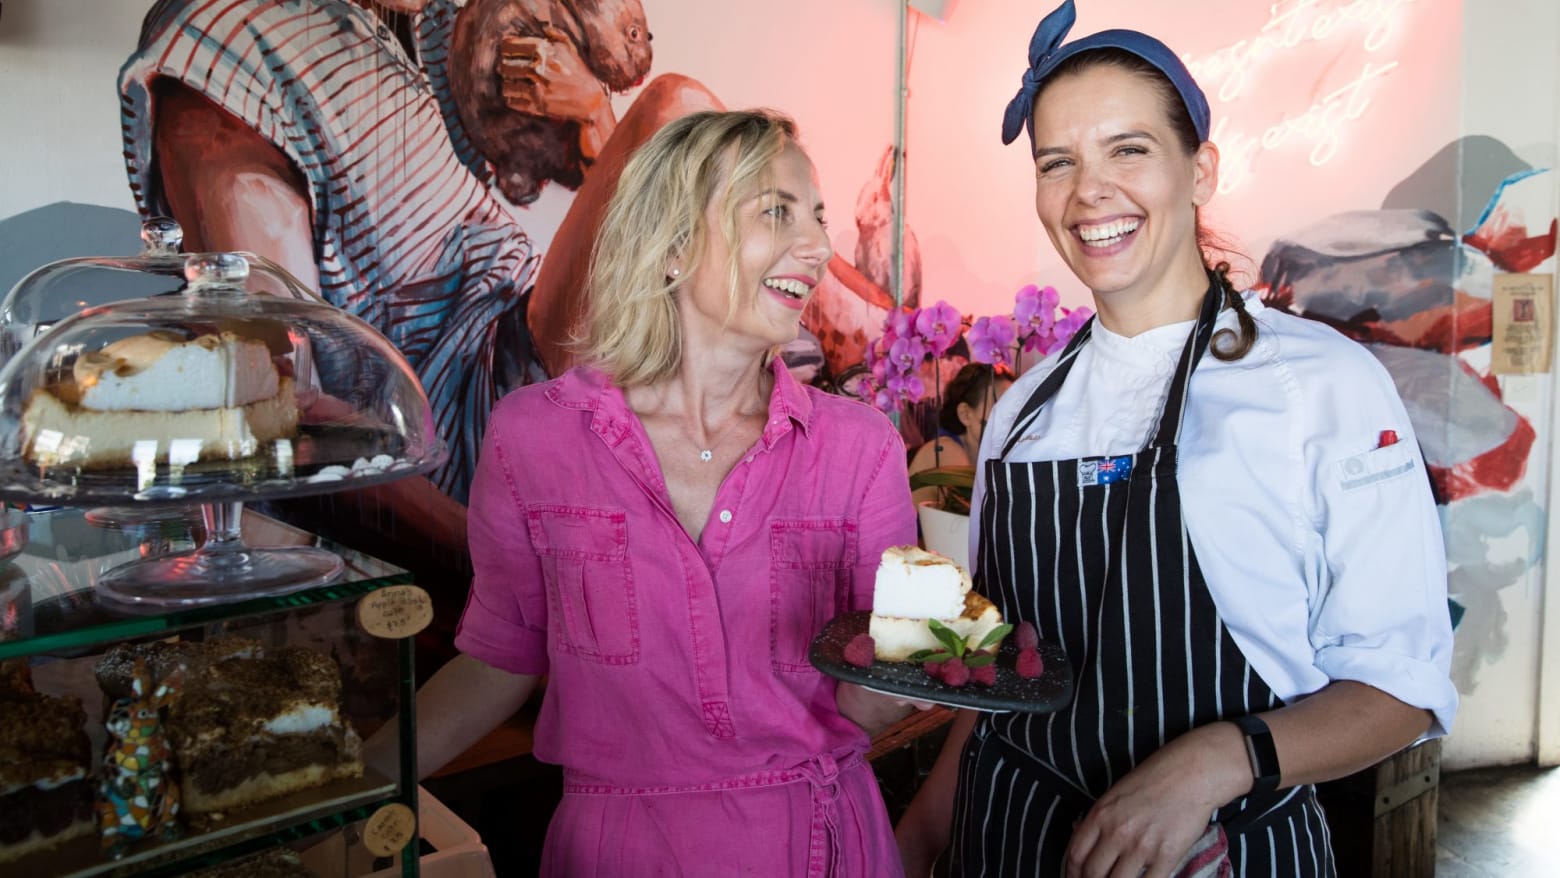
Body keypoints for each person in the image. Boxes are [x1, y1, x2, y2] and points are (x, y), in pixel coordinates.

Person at [894, 3, 1457, 876]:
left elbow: (1403, 688)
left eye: (1129, 149)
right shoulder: (1024, 412)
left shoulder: (1321, 388)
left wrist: (1217, 761)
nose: (1089, 192)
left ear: (1201, 171)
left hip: (1230, 852)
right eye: (1058, 163)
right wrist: (921, 839)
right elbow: (998, 680)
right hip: (1008, 840)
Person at [386, 110, 918, 876]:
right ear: (672, 245)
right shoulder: (534, 438)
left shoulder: (859, 447)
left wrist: (917, 670)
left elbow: (872, 699)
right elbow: (502, 657)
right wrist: (360, 782)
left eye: (819, 216)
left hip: (819, 842)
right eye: (777, 211)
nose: (818, 247)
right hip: (621, 850)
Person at [907, 362, 1013, 507]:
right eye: (999, 409)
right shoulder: (947, 450)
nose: (1011, 418)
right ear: (965, 414)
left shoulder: (986, 454)